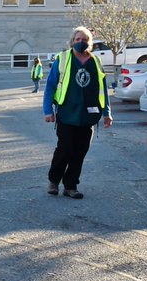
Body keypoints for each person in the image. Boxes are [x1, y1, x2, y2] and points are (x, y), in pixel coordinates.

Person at [42, 26, 112, 199]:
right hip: (67, 113)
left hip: (88, 116)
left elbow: (102, 88)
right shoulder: (63, 58)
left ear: (90, 43)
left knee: (80, 152)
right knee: (64, 149)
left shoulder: (95, 61)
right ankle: (53, 180)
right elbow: (50, 85)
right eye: (77, 39)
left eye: (84, 40)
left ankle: (71, 186)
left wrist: (106, 113)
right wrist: (48, 110)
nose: (81, 42)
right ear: (72, 41)